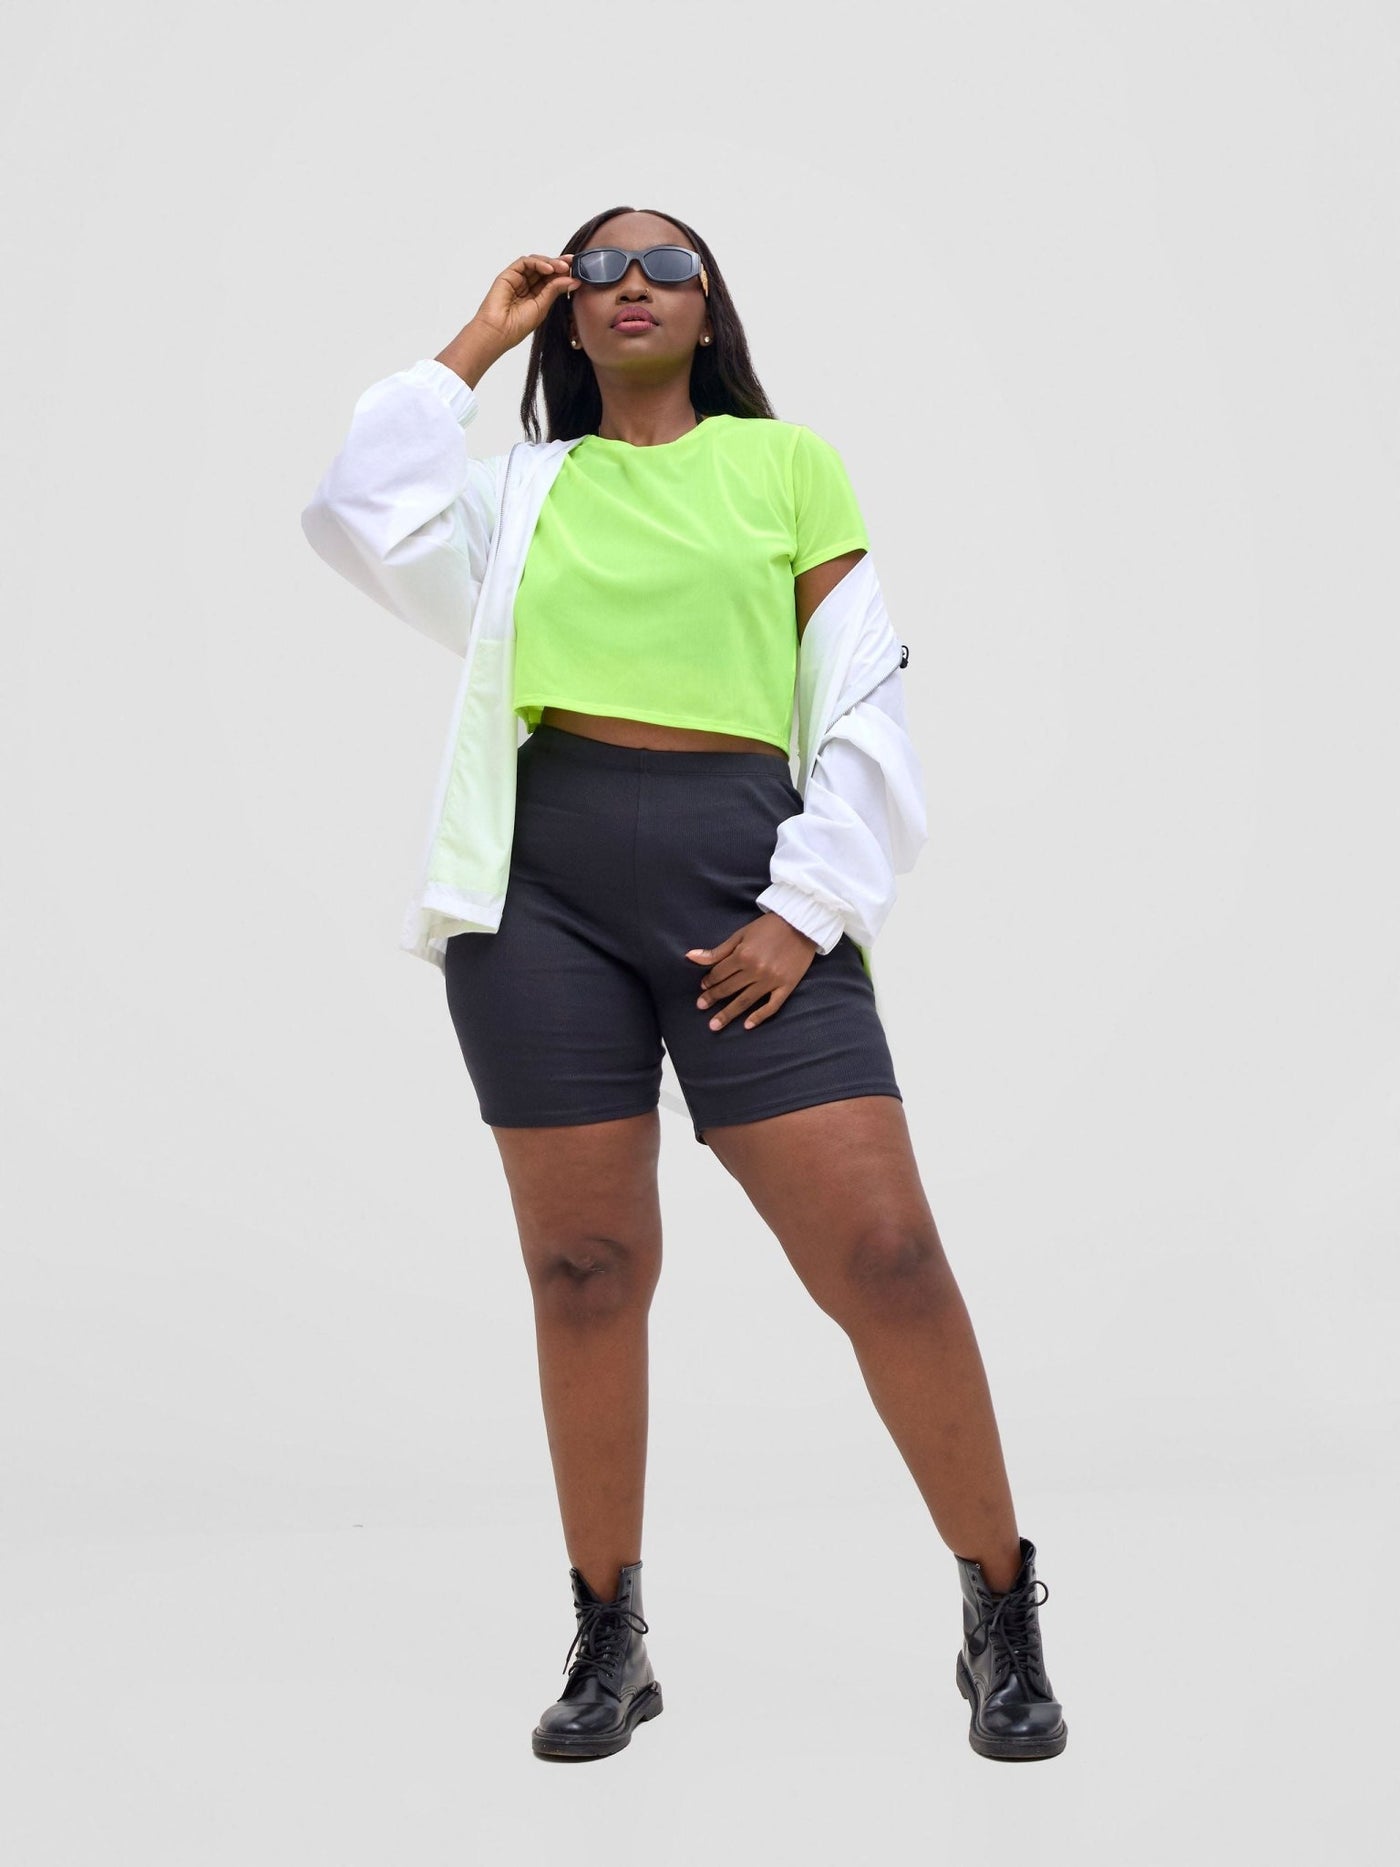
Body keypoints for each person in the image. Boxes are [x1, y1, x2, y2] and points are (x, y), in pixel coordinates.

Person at [300, 204, 1068, 1764]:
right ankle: (611, 1634)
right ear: (569, 312)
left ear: (710, 308)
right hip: (541, 896)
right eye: (598, 267)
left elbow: (863, 696)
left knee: (888, 1254)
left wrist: (809, 906)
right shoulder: (519, 493)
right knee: (584, 1270)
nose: (633, 283)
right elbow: (360, 509)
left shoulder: (788, 467)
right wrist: (475, 342)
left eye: (669, 264)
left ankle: (1001, 1608)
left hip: (748, 883)